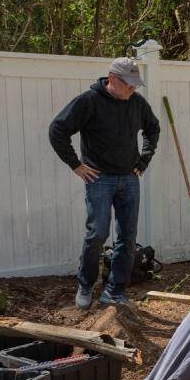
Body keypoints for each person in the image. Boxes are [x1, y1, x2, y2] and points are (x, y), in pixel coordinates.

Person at [49, 57, 160, 308]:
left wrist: (144, 160)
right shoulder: (89, 101)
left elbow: (153, 128)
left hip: (129, 179)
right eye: (128, 84)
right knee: (97, 233)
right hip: (99, 179)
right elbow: (57, 129)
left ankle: (115, 290)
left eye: (135, 84)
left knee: (127, 237)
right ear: (112, 79)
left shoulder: (137, 103)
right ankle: (86, 285)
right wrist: (76, 165)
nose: (133, 89)